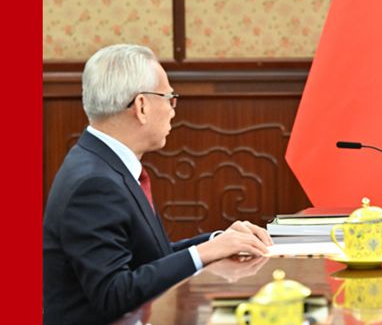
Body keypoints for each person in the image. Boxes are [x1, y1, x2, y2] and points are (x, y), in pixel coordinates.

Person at [43, 44, 274, 325]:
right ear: (141, 106)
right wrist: (205, 253)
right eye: (169, 98)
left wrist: (218, 242)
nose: (173, 111)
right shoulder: (95, 184)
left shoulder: (101, 164)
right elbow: (114, 294)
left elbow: (149, 258)